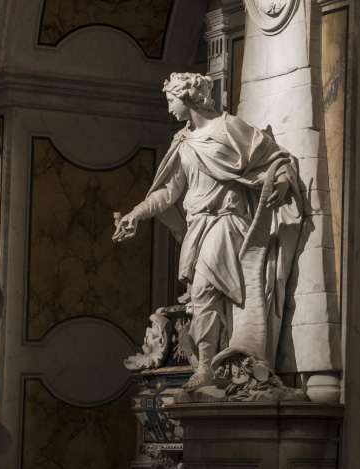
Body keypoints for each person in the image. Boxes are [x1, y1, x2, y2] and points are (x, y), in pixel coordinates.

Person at [113, 73, 302, 389]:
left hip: (227, 222)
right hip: (197, 226)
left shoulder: (230, 128)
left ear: (186, 98)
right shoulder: (183, 142)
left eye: (171, 101)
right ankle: (214, 364)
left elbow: (274, 159)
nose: (170, 109)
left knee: (203, 291)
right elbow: (167, 193)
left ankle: (205, 366)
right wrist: (136, 214)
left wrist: (280, 180)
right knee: (203, 300)